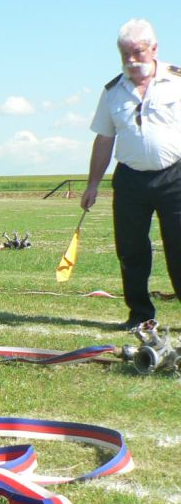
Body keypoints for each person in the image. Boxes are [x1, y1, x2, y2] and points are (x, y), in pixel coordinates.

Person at [82, 18, 181, 330]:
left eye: (137, 52)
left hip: (175, 177)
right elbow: (104, 139)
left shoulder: (177, 80)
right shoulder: (113, 92)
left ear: (154, 49)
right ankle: (139, 314)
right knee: (131, 249)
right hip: (130, 180)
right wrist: (92, 185)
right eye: (125, 54)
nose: (131, 60)